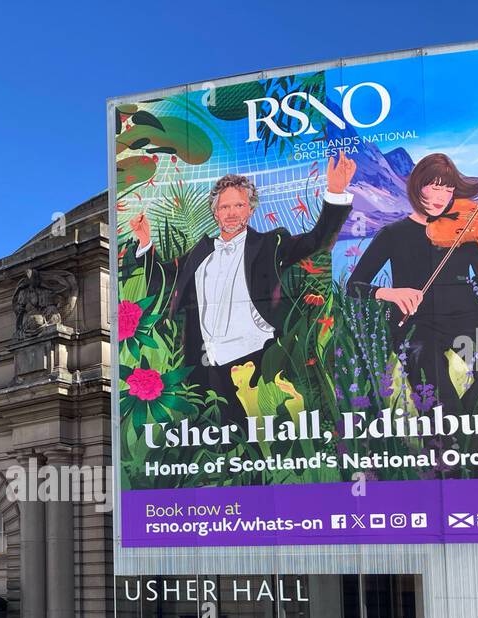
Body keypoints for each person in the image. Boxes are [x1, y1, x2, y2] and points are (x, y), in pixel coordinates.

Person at [130, 151, 356, 425]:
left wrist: (335, 193)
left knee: (261, 440)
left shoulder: (271, 244)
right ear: (215, 213)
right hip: (203, 367)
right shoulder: (200, 252)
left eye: (239, 206)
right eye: (225, 207)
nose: (232, 213)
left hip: (256, 360)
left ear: (250, 209)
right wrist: (144, 242)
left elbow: (316, 241)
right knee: (214, 446)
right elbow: (161, 282)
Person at [346, 152, 478, 415]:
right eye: (433, 188)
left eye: (447, 189)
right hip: (415, 325)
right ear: (417, 187)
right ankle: (450, 436)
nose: (440, 197)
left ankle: (472, 442)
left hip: (465, 318)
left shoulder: (465, 228)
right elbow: (354, 285)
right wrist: (389, 292)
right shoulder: (393, 234)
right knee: (436, 401)